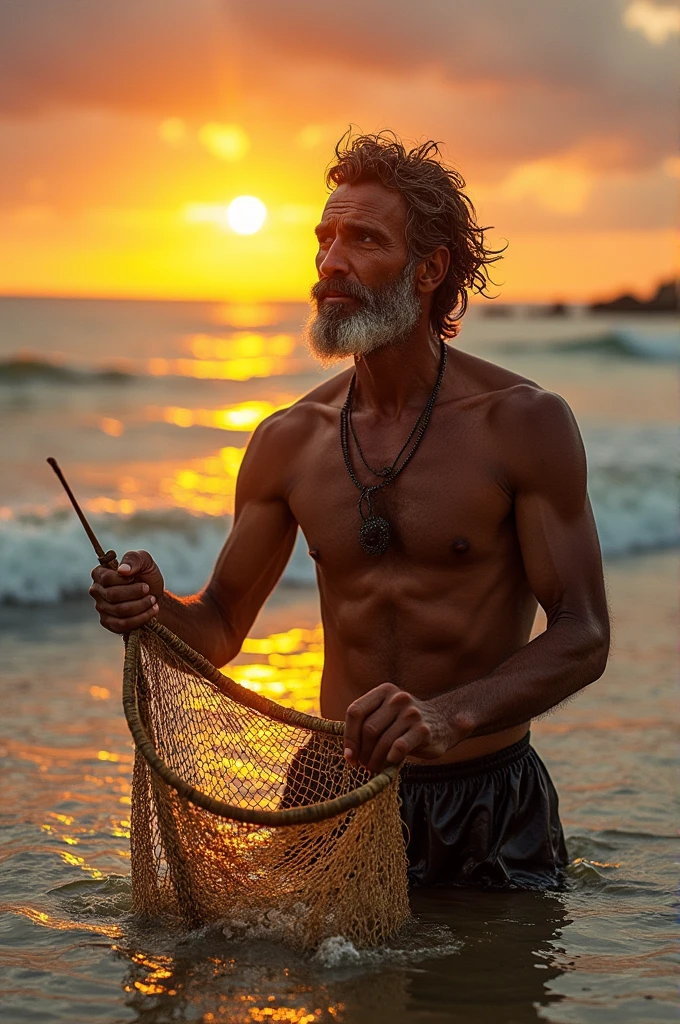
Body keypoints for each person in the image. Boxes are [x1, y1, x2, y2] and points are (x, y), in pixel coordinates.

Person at [89, 132, 609, 890]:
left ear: (429, 270)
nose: (331, 262)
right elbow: (222, 627)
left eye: (364, 239)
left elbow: (583, 633)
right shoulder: (286, 441)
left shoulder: (522, 423)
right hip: (327, 793)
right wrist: (153, 606)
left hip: (483, 801)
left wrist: (447, 717)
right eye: (324, 239)